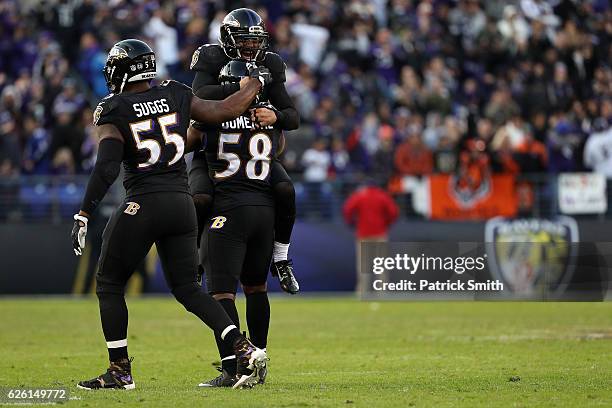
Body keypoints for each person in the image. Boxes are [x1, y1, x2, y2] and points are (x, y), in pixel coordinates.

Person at [70, 39, 272, 390]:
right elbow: (223, 110)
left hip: (144, 202)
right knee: (189, 288)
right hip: (182, 204)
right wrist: (253, 84)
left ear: (122, 70)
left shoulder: (113, 107)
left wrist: (85, 212)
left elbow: (106, 167)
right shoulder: (175, 92)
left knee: (109, 283)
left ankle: (120, 370)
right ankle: (243, 346)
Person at [187, 60, 285, 388]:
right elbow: (279, 147)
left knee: (220, 293)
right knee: (256, 288)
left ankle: (234, 367)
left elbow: (192, 140)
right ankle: (261, 358)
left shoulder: (216, 111)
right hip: (265, 209)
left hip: (229, 209)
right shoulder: (266, 112)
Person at [189, 8, 300, 293]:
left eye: (255, 40)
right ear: (228, 39)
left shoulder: (270, 64)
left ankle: (281, 257)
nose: (251, 46)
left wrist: (275, 116)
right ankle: (194, 260)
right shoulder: (212, 58)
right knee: (200, 198)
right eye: (245, 40)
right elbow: (198, 97)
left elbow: (292, 115)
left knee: (286, 190)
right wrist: (238, 90)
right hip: (214, 150)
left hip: (253, 153)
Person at [343, 182, 399, 292]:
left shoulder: (360, 195)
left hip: (363, 235)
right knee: (381, 266)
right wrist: (386, 224)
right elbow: (394, 212)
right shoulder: (382, 196)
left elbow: (347, 209)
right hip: (380, 234)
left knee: (363, 266)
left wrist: (352, 223)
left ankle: (362, 292)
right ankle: (382, 292)